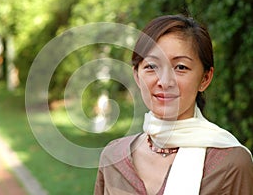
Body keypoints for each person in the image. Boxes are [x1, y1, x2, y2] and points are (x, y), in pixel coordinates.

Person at [94, 14, 253, 195]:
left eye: (181, 67)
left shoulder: (230, 163)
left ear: (205, 78)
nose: (164, 81)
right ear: (137, 75)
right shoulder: (114, 158)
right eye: (151, 66)